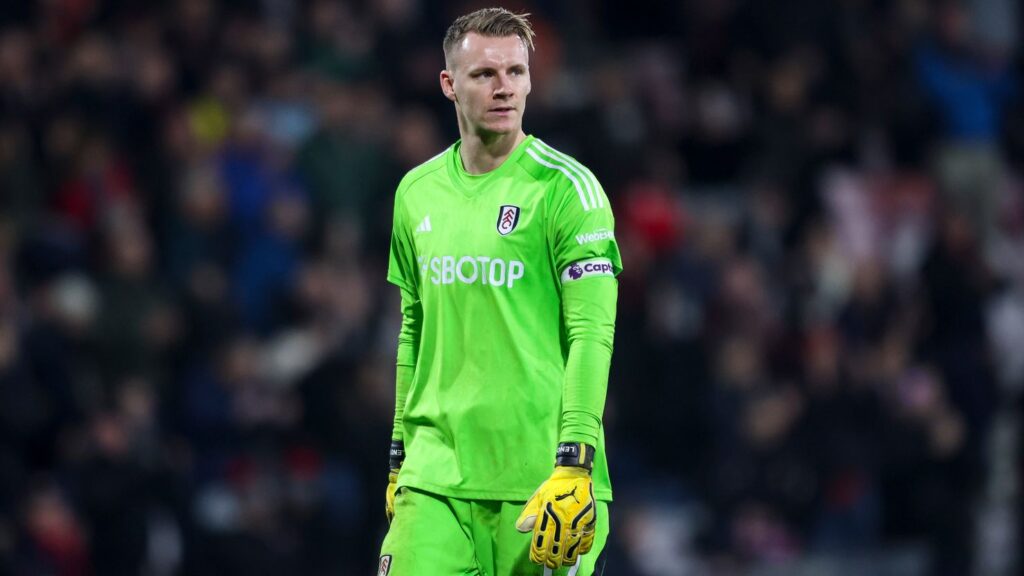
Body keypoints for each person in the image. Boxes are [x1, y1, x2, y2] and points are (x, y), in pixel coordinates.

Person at [377, 7, 621, 576]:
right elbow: (414, 328)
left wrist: (575, 461)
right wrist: (398, 453)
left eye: (515, 71)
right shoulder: (415, 193)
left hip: (542, 484)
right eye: (485, 74)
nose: (504, 87)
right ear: (449, 84)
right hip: (434, 480)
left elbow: (592, 333)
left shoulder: (569, 191)